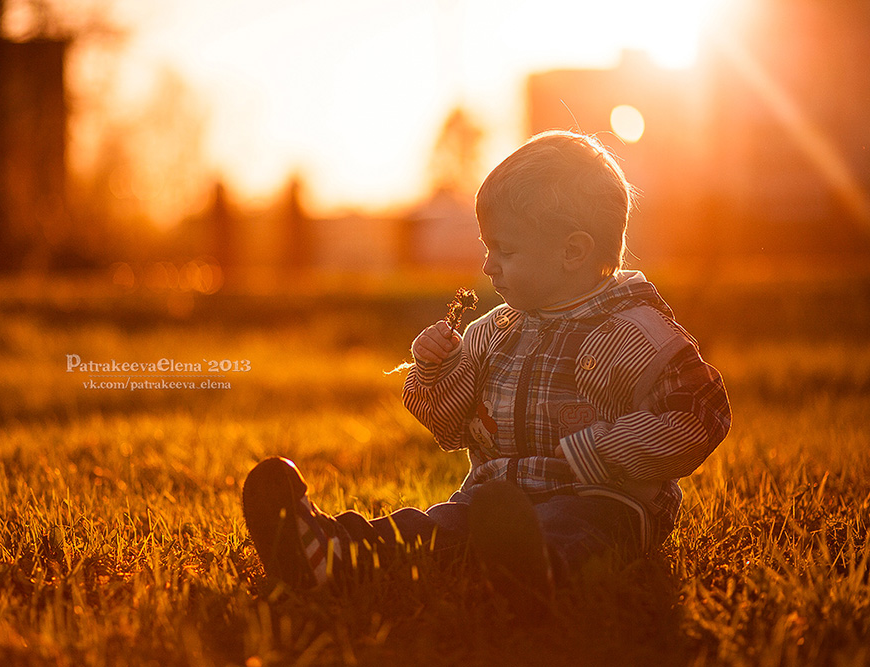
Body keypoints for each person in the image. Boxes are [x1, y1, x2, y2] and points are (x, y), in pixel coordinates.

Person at [241, 130, 732, 594]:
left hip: (604, 498)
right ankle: (331, 554)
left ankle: (539, 573)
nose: (487, 265)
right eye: (487, 247)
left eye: (505, 249)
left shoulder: (634, 332)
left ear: (573, 252)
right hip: (494, 500)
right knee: (432, 527)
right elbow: (450, 427)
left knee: (579, 531)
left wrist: (600, 451)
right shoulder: (494, 333)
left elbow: (701, 410)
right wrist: (437, 370)